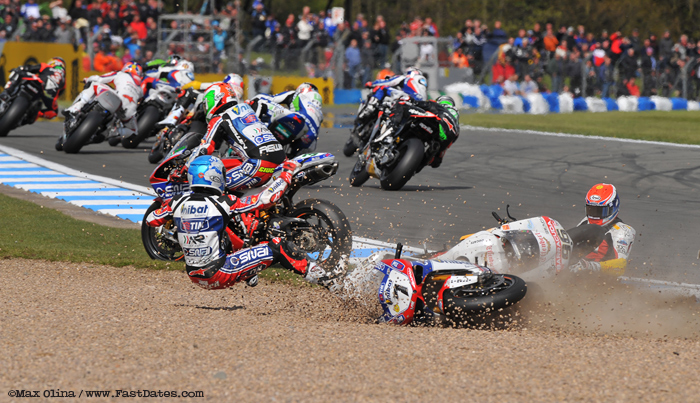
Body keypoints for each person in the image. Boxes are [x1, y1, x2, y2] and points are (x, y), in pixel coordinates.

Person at [145, 155, 334, 289]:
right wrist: (286, 174)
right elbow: (266, 199)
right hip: (219, 273)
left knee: (225, 233)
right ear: (215, 177)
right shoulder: (223, 203)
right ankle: (328, 280)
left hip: (194, 274)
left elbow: (152, 220)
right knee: (278, 246)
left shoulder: (177, 202)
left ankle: (249, 272)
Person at [190, 83, 286, 192]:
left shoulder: (219, 118)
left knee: (212, 183)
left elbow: (205, 147)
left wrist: (187, 166)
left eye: (205, 104)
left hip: (259, 166)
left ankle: (225, 208)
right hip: (281, 161)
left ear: (215, 99)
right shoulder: (247, 109)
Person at [62, 62, 143, 140]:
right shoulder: (140, 88)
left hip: (116, 99)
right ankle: (109, 133)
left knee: (94, 83)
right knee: (133, 132)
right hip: (127, 111)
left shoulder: (120, 74)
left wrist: (88, 80)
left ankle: (74, 109)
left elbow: (99, 79)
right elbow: (139, 104)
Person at [570, 183, 635, 275]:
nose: (595, 216)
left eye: (600, 211)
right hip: (575, 273)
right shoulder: (585, 221)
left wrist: (588, 266)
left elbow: (620, 265)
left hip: (602, 280)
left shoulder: (622, 230)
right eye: (591, 210)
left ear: (613, 207)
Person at [379, 95, 459, 168]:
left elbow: (417, 104)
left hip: (436, 120)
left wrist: (411, 101)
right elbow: (437, 162)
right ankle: (416, 166)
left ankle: (390, 131)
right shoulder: (456, 123)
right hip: (448, 134)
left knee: (403, 102)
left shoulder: (438, 105)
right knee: (436, 160)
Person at [2, 57, 66, 120]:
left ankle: (6, 91)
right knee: (54, 113)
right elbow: (60, 93)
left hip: (39, 82)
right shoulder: (63, 80)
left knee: (18, 72)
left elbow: (29, 68)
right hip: (47, 95)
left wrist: (20, 68)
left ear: (52, 62)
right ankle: (35, 114)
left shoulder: (46, 66)